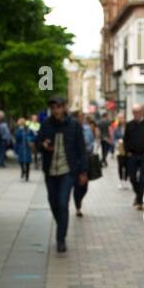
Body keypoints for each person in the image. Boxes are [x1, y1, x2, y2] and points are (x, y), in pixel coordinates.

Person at [36, 96, 88, 253]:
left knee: (62, 203)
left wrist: (83, 171)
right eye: (53, 107)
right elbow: (38, 143)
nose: (56, 110)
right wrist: (43, 145)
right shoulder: (46, 125)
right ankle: (62, 225)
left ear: (64, 107)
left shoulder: (74, 125)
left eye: (59, 107)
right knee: (53, 202)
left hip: (68, 171)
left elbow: (81, 149)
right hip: (50, 170)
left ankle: (60, 239)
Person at [72, 110, 94, 217]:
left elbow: (91, 142)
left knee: (84, 187)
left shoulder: (87, 128)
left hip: (85, 159)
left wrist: (86, 149)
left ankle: (79, 200)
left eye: (82, 117)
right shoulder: (71, 129)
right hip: (74, 161)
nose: (81, 119)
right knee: (77, 185)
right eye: (79, 117)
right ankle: (78, 207)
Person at [13, 115, 35, 181]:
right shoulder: (18, 130)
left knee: (28, 162)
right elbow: (17, 138)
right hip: (21, 147)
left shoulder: (28, 129)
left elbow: (33, 136)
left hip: (27, 147)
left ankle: (27, 175)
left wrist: (30, 140)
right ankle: (23, 171)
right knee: (21, 161)